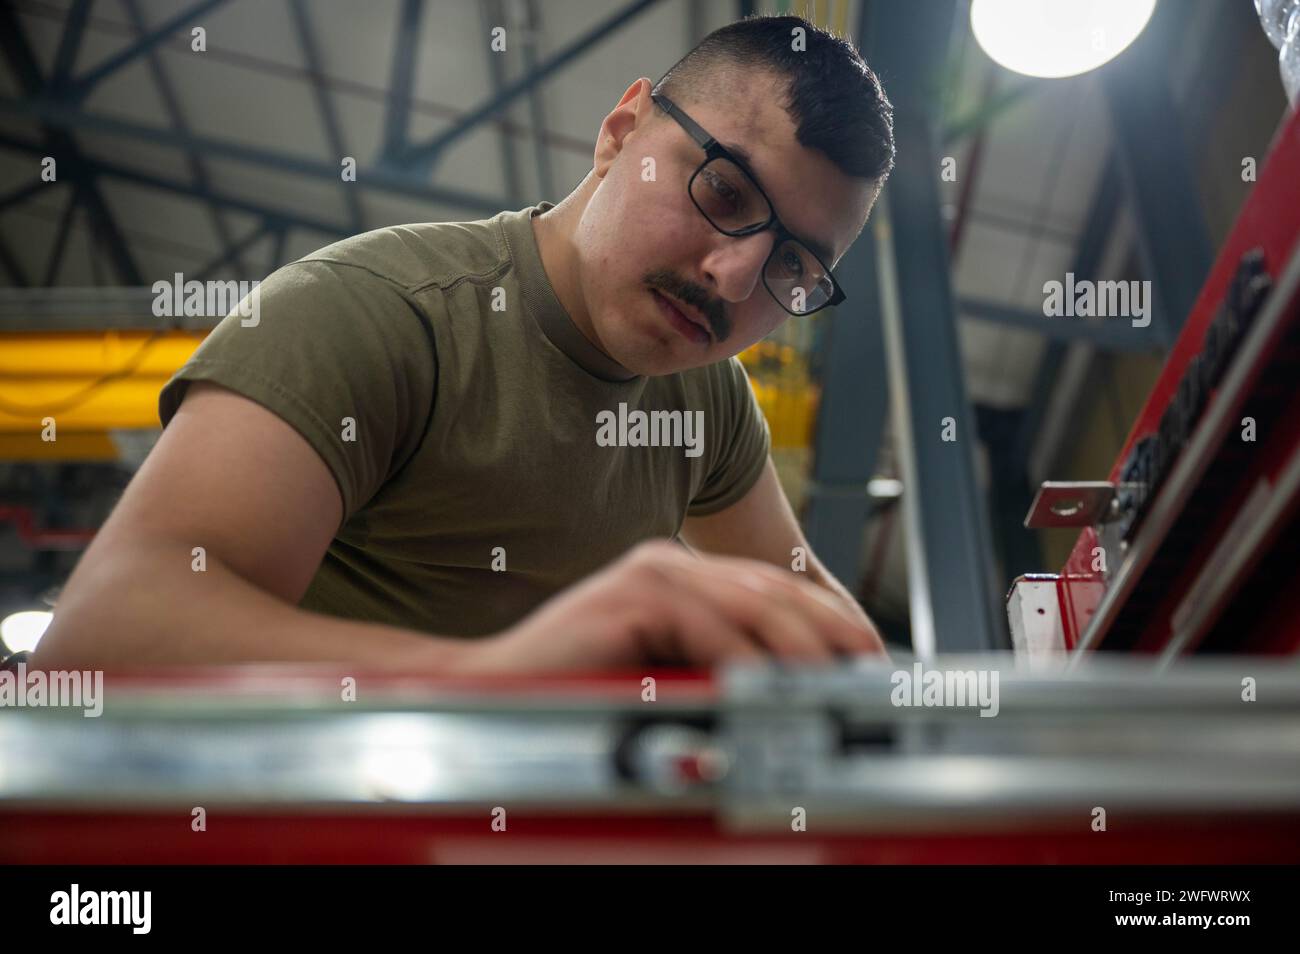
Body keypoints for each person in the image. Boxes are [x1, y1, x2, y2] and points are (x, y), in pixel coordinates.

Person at [33, 15, 895, 673]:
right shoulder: (377, 314)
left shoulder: (706, 405)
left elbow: (820, 621)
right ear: (621, 132)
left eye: (794, 264)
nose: (736, 279)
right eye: (726, 191)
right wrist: (500, 678)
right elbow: (103, 636)